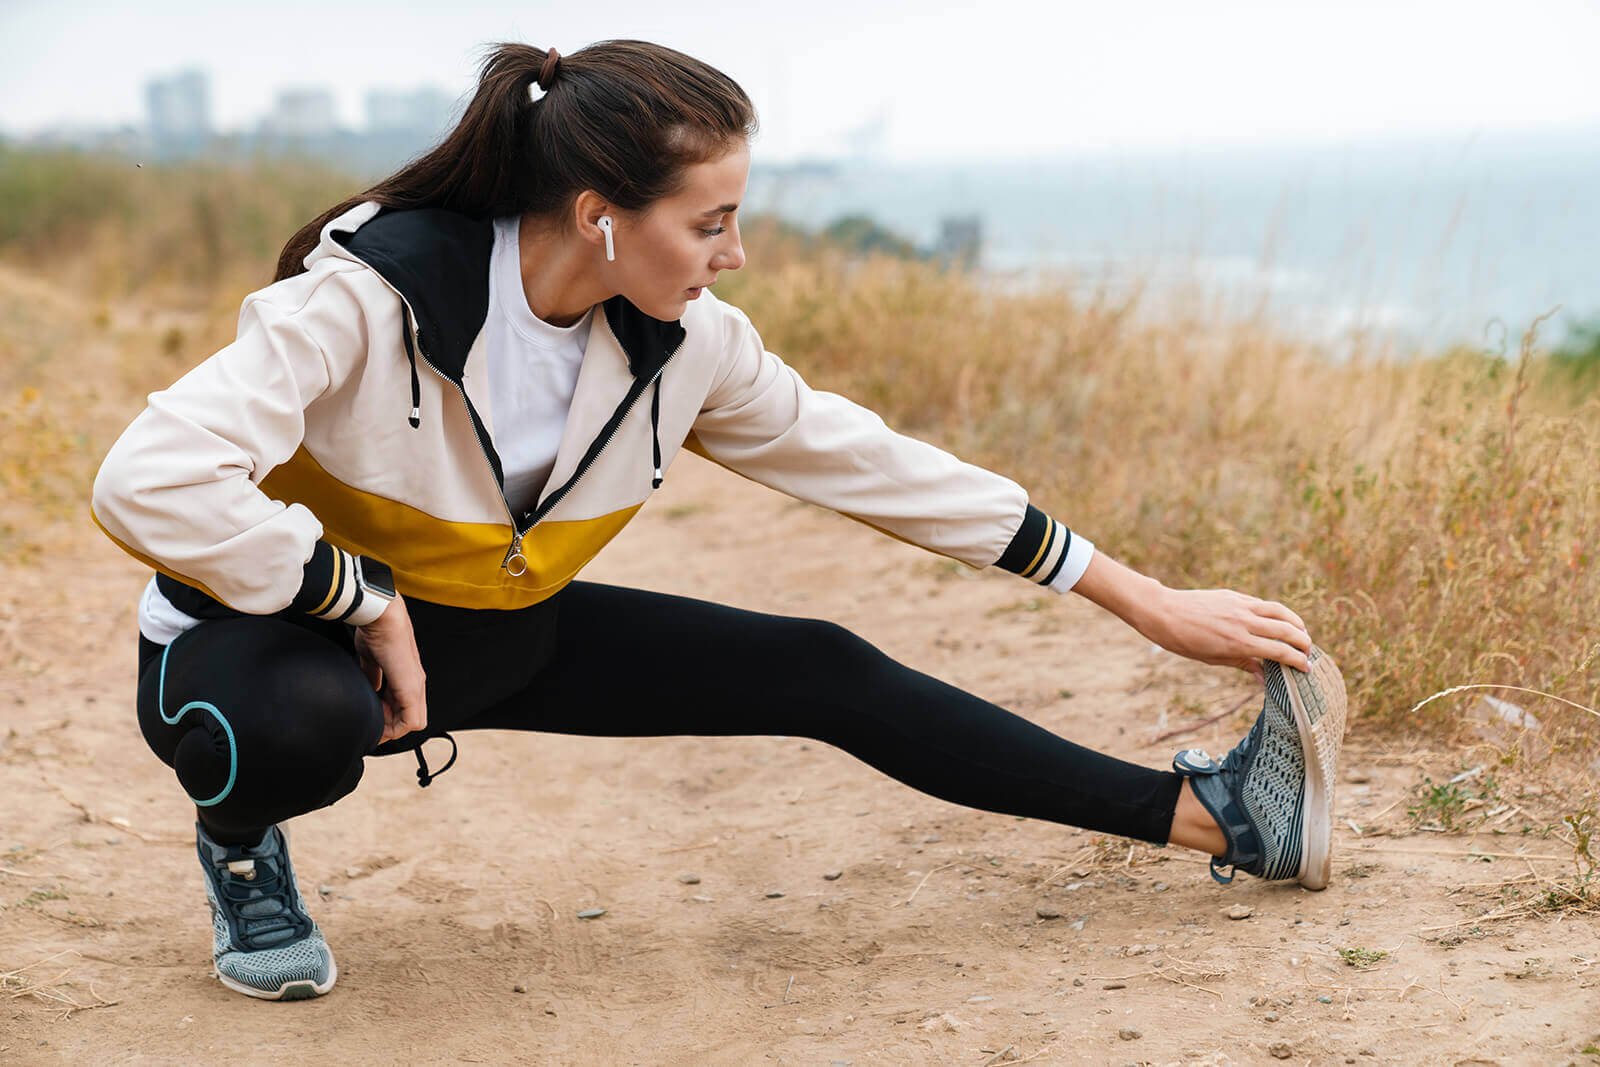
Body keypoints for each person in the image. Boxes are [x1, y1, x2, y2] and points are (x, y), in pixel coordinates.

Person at [90, 40, 1346, 1003]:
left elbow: (878, 467)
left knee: (822, 666)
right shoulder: (368, 302)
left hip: (492, 629)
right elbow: (145, 477)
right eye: (709, 222)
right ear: (601, 215)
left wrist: (1143, 599)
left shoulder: (688, 344)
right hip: (269, 644)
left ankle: (1224, 820)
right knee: (293, 726)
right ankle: (241, 848)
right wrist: (352, 595)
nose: (732, 254)